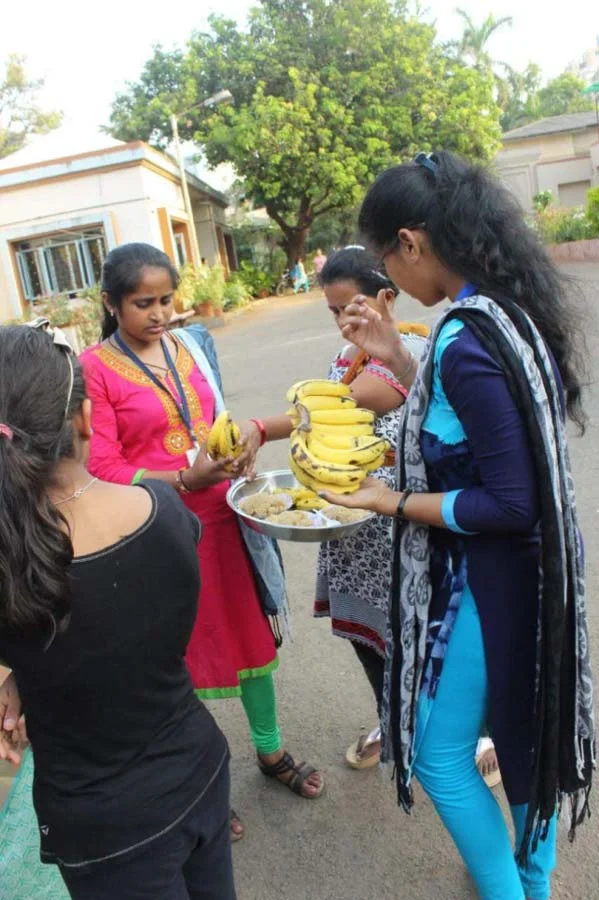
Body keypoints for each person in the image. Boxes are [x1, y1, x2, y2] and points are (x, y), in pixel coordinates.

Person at [321, 151, 594, 900]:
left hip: (496, 577)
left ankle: (515, 890)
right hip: (534, 569)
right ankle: (531, 879)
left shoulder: (465, 338)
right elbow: (466, 424)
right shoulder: (501, 310)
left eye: (385, 259)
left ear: (410, 243)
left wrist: (389, 501)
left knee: (440, 758)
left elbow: (508, 503)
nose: (387, 278)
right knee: (526, 728)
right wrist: (398, 357)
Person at [79, 243, 324, 840]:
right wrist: (185, 479)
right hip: (156, 530)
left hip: (223, 517)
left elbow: (213, 420)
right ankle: (202, 780)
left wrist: (237, 448)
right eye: (143, 303)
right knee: (179, 657)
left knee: (249, 638)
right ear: (111, 303)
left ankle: (270, 751)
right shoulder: (94, 368)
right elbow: (103, 466)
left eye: (166, 299)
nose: (159, 313)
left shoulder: (189, 344)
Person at [0, 319, 235, 900]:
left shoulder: (12, 563)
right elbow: (117, 627)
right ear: (84, 419)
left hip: (100, 825)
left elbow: (65, 633)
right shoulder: (163, 511)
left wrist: (22, 673)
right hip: (198, 768)